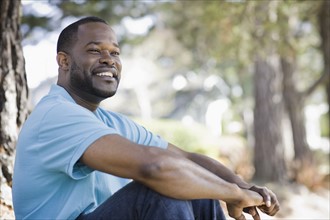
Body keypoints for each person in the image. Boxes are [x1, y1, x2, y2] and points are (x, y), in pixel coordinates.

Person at [12, 16, 279, 220]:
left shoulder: (108, 121)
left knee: (198, 185)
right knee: (160, 190)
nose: (109, 60)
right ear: (64, 61)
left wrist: (244, 187)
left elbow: (187, 159)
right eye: (95, 50)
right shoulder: (56, 115)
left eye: (114, 52)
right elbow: (155, 168)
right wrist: (234, 194)